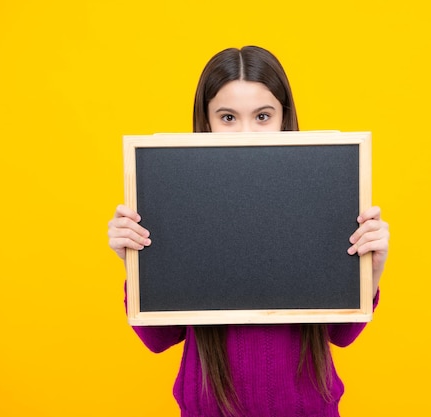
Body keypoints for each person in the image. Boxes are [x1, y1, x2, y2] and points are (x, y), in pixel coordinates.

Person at [108, 46, 390, 417]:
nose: (245, 131)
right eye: (227, 117)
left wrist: (370, 270)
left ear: (283, 118)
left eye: (262, 116)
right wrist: (136, 262)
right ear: (205, 121)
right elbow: (159, 340)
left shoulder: (321, 191)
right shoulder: (175, 197)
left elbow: (341, 336)